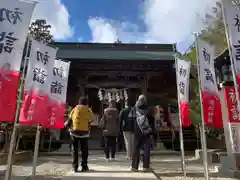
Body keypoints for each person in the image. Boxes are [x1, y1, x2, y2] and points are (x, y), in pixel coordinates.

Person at [65, 97, 94, 172]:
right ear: (86, 103)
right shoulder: (88, 110)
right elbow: (91, 119)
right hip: (84, 133)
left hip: (74, 132)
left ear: (79, 102)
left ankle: (75, 167)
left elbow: (69, 119)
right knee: (84, 150)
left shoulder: (74, 109)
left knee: (75, 150)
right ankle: (84, 166)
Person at [131, 95, 155, 172]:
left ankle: (134, 167)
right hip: (146, 131)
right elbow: (152, 120)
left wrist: (132, 129)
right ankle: (145, 166)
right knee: (146, 149)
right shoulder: (149, 108)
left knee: (136, 149)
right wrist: (152, 131)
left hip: (137, 131)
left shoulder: (134, 109)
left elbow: (131, 119)